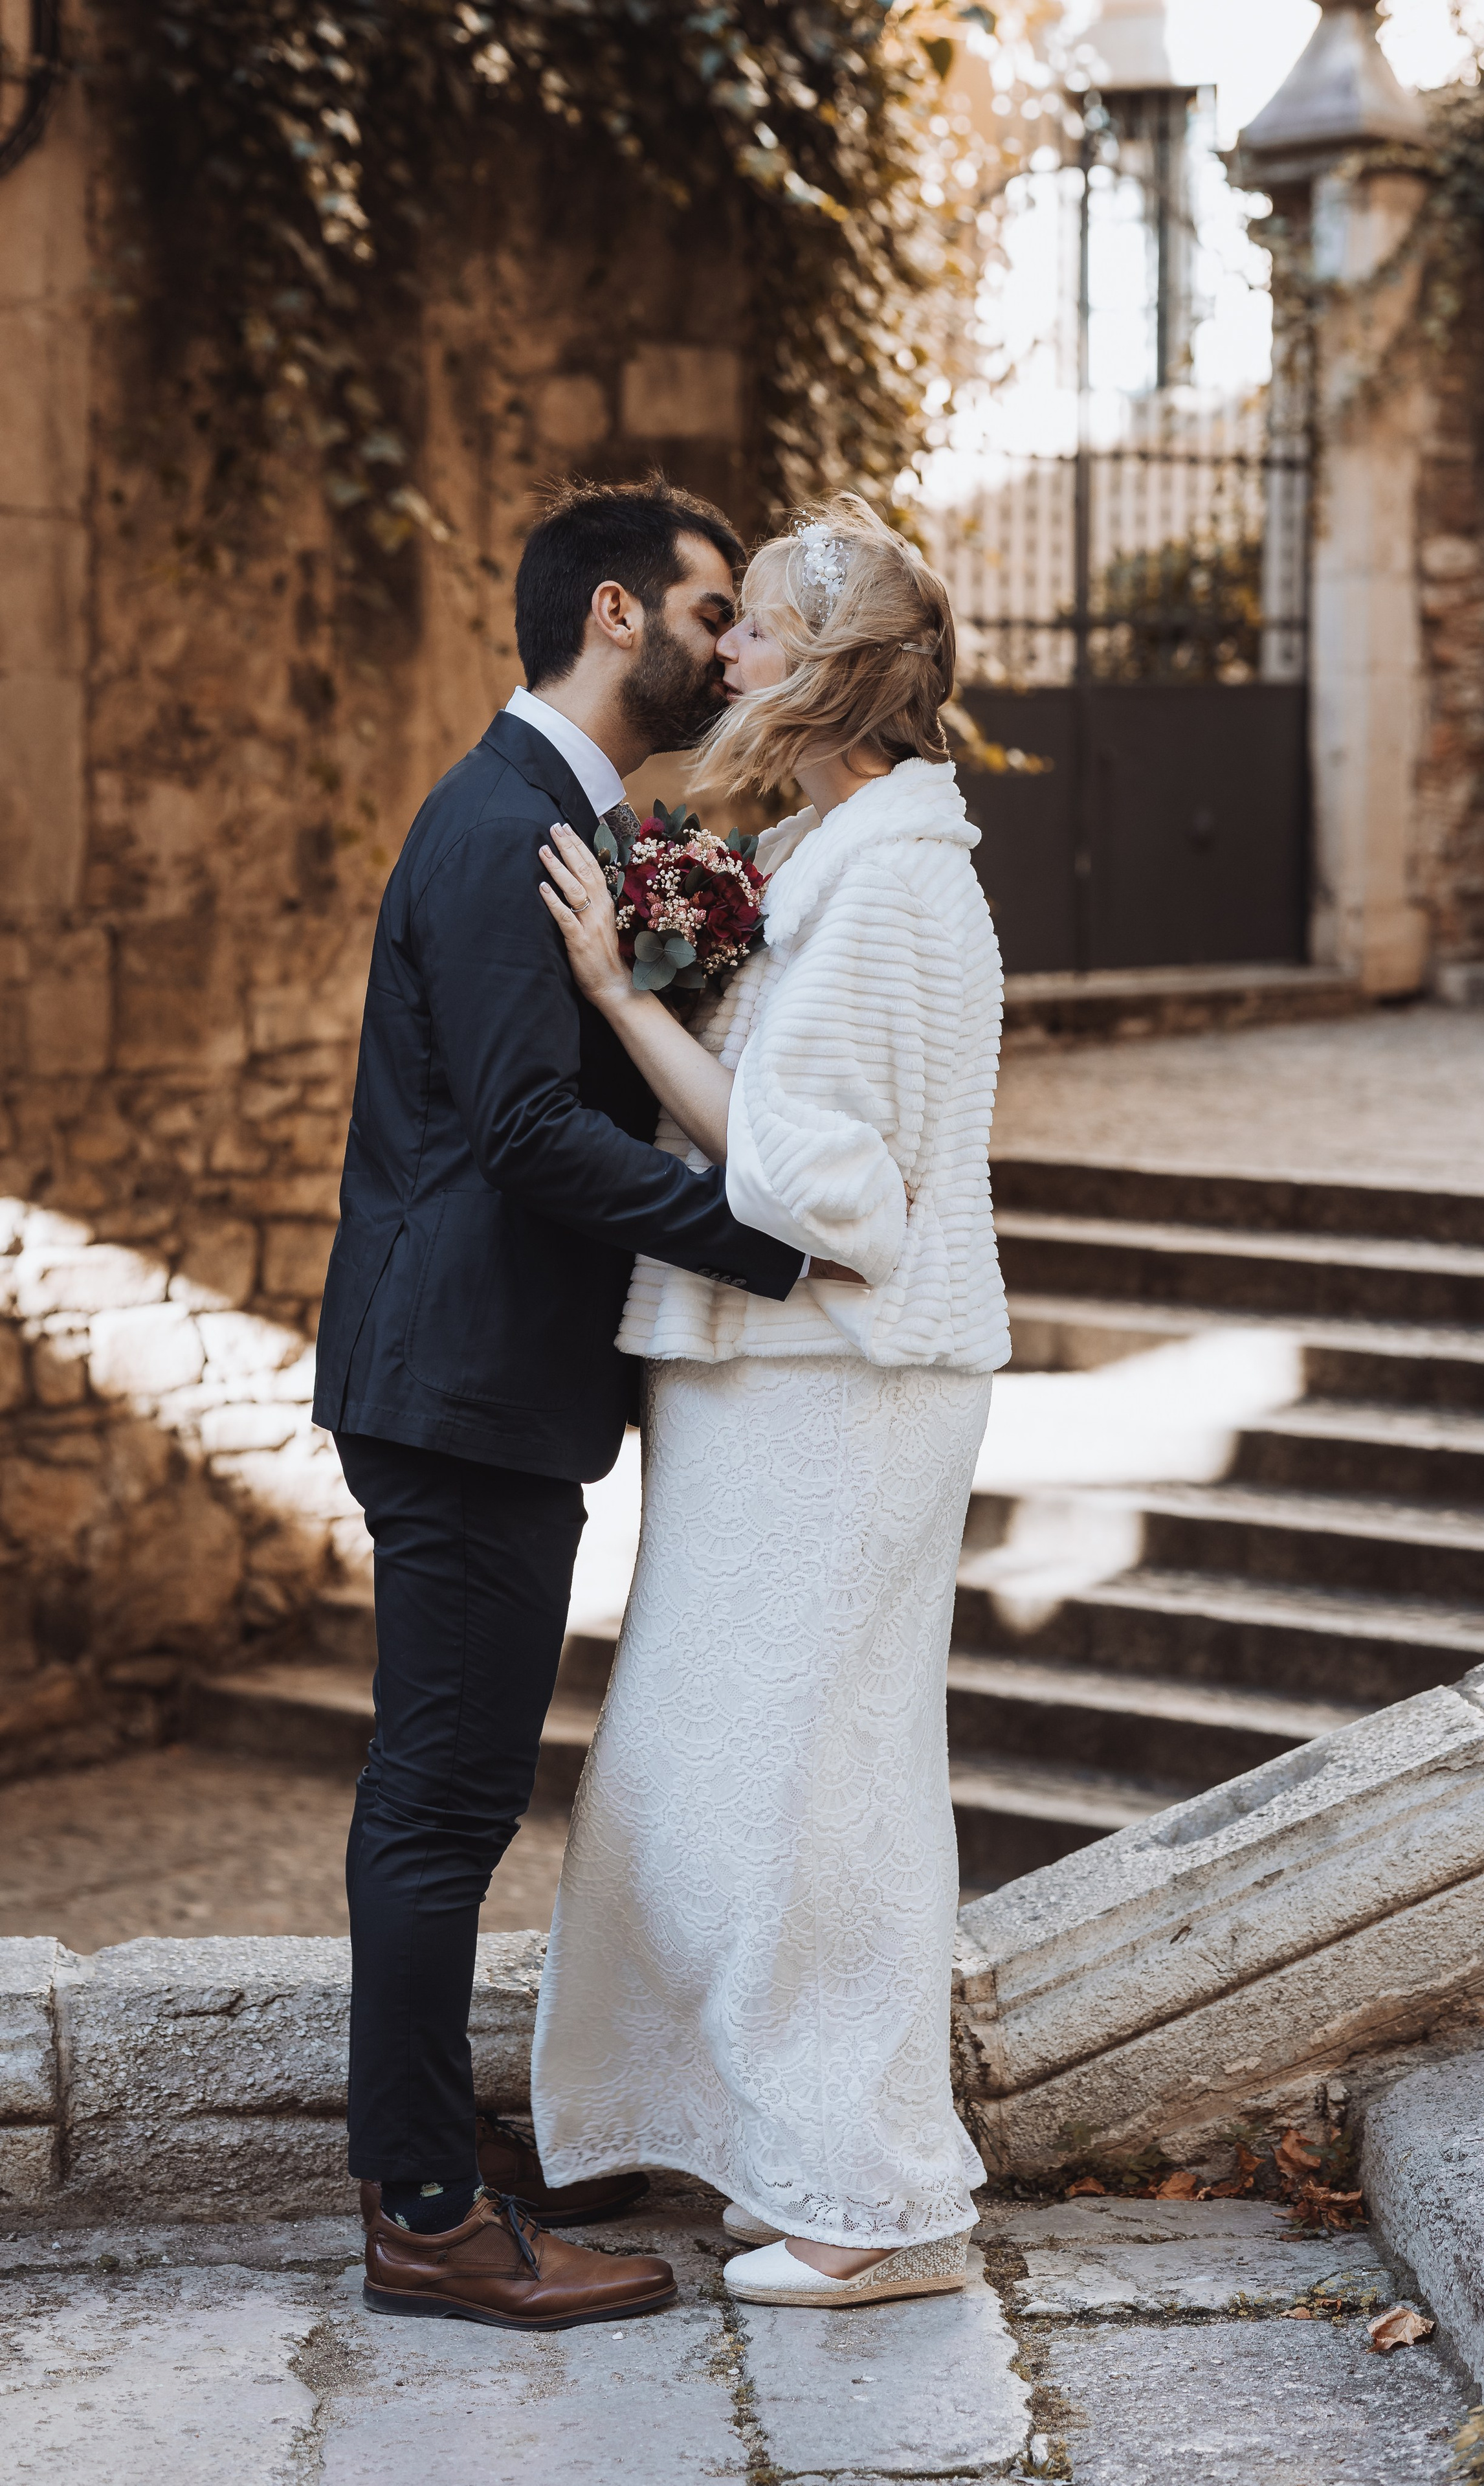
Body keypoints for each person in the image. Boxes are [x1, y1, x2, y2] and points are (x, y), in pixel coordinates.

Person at [311, 478, 821, 2331]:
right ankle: (429, 2217)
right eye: (706, 612)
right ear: (617, 613)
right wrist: (771, 1239)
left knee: (446, 1797)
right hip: (457, 1387)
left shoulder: (566, 820)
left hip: (476, 1380)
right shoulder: (501, 826)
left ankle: (431, 2157)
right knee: (442, 1806)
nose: (723, 645)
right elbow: (524, 1136)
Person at [529, 493, 1010, 2309]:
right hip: (781, 1387)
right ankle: (782, 2144)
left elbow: (832, 1195)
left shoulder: (893, 880)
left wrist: (619, 994)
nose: (718, 649)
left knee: (821, 1783)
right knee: (719, 1773)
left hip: (845, 1383)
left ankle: (875, 2208)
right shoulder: (843, 852)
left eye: (756, 631)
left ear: (821, 675)